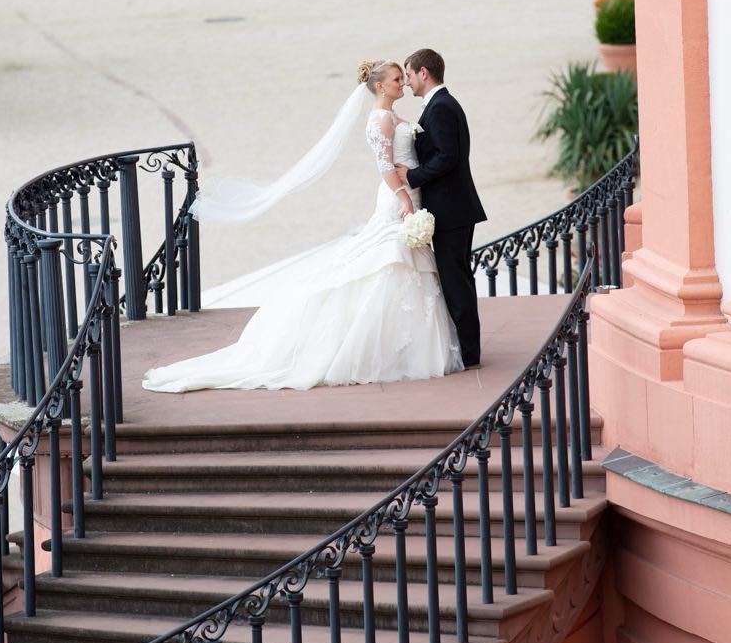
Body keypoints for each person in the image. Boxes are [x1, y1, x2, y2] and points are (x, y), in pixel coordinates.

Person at [142, 60, 463, 393]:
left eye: (403, 78)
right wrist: (404, 197)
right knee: (390, 261)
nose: (402, 84)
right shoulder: (380, 119)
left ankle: (405, 348)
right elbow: (384, 165)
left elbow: (404, 156)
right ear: (381, 86)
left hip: (411, 190)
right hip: (398, 196)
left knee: (403, 265)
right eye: (398, 79)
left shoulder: (392, 116)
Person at [397, 48, 486, 368]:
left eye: (408, 74)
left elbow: (448, 156)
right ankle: (467, 349)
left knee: (455, 280)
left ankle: (469, 353)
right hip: (454, 208)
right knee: (457, 277)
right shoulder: (439, 105)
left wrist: (413, 176)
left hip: (452, 210)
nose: (406, 82)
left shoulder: (441, 108)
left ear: (424, 73)